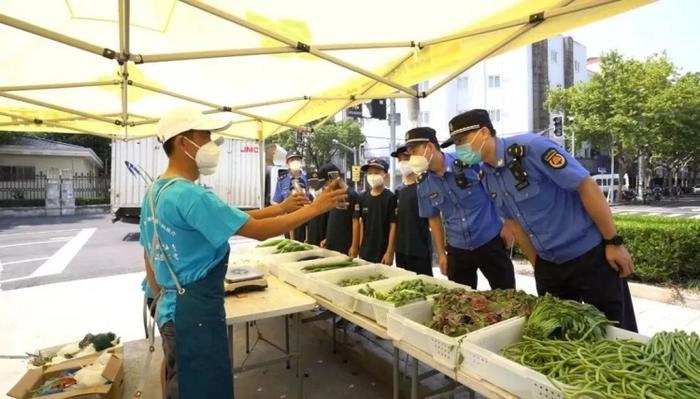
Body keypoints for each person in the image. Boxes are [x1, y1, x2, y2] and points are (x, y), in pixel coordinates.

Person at [139, 107, 347, 399]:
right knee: (201, 388)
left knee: (178, 377)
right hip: (194, 314)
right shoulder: (191, 195)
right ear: (183, 143)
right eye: (205, 137)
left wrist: (281, 208)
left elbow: (150, 255)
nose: (211, 145)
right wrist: (316, 207)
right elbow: (257, 231)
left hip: (169, 307)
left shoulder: (155, 192)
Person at [451, 108, 637, 331]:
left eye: (462, 140)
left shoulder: (532, 149)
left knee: (617, 333)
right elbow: (514, 224)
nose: (459, 148)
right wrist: (538, 266)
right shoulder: (486, 175)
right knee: (563, 338)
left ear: (483, 133)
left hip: (590, 258)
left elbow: (586, 186)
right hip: (550, 268)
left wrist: (613, 242)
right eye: (455, 143)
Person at [406, 127, 516, 290]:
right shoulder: (424, 183)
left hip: (490, 241)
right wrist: (442, 253)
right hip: (458, 250)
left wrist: (509, 225)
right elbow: (433, 218)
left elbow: (500, 187)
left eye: (414, 152)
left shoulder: (469, 162)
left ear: (429, 147)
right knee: (460, 303)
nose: (412, 159)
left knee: (508, 295)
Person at [391, 146, 433, 276]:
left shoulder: (426, 185)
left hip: (420, 248)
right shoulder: (399, 191)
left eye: (406, 158)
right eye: (400, 160)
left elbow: (434, 220)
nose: (403, 162)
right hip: (401, 249)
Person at [356, 158, 397, 264]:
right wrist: (360, 247)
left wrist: (389, 252)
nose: (373, 176)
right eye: (370, 173)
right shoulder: (363, 197)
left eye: (377, 172)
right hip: (365, 251)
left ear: (385, 175)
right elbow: (362, 224)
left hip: (382, 252)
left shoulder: (390, 198)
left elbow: (393, 226)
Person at [319, 164, 361, 257]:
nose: (327, 188)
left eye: (326, 184)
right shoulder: (333, 196)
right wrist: (328, 238)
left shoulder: (352, 195)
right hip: (331, 244)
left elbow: (356, 222)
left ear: (334, 179)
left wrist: (354, 246)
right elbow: (334, 220)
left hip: (344, 245)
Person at [272, 151, 309, 242]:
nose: (295, 161)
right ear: (287, 163)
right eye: (292, 159)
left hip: (306, 221)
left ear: (301, 161)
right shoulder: (282, 181)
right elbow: (276, 202)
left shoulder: (309, 179)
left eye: (297, 159)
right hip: (289, 222)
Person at [305, 170, 328, 246]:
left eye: (316, 181)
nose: (314, 184)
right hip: (311, 232)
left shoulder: (325, 195)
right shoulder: (307, 196)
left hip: (322, 233)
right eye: (311, 182)